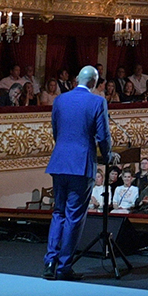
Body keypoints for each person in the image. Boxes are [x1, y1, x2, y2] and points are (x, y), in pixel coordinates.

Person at [44, 66, 113, 281]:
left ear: (76, 79)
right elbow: (103, 136)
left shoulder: (60, 100)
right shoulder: (96, 101)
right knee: (74, 216)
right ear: (94, 82)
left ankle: (49, 261)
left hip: (59, 162)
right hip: (81, 165)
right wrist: (109, 156)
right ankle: (64, 267)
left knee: (58, 213)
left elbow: (56, 131)